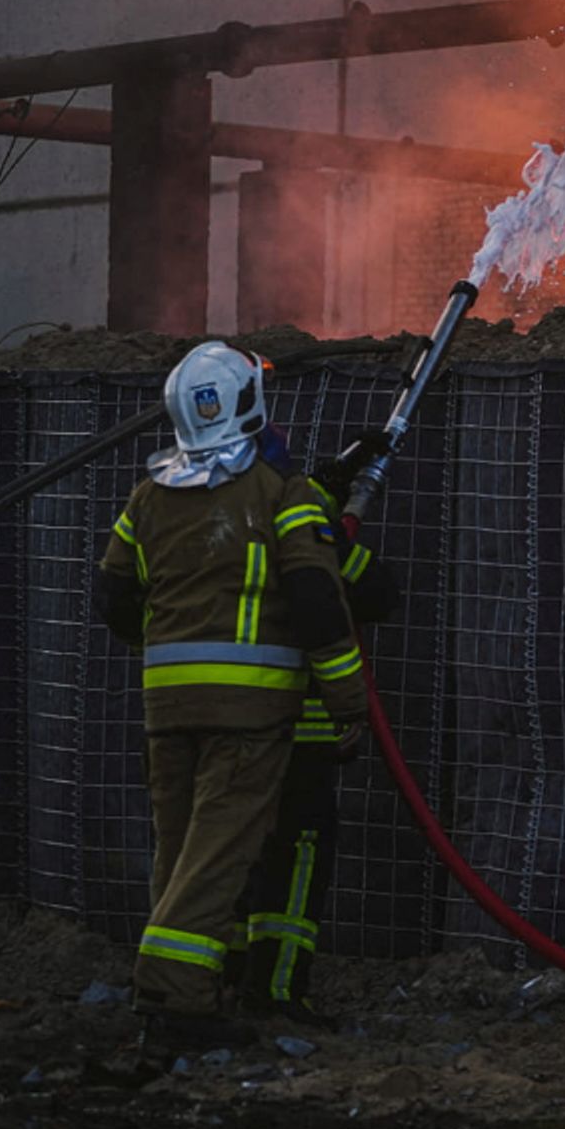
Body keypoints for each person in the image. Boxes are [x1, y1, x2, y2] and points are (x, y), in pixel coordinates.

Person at [95, 343, 372, 1062]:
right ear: (249, 403)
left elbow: (113, 599)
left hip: (167, 710)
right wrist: (347, 701)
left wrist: (172, 648)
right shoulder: (279, 494)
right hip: (248, 717)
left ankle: (183, 989)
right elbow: (317, 603)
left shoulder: (147, 498)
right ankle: (173, 995)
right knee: (218, 854)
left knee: (181, 852)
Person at [238, 425, 397, 1021]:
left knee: (224, 855)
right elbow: (369, 593)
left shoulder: (189, 515)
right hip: (295, 732)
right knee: (296, 857)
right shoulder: (301, 532)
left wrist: (325, 492)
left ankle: (215, 983)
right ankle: (276, 992)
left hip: (217, 728)